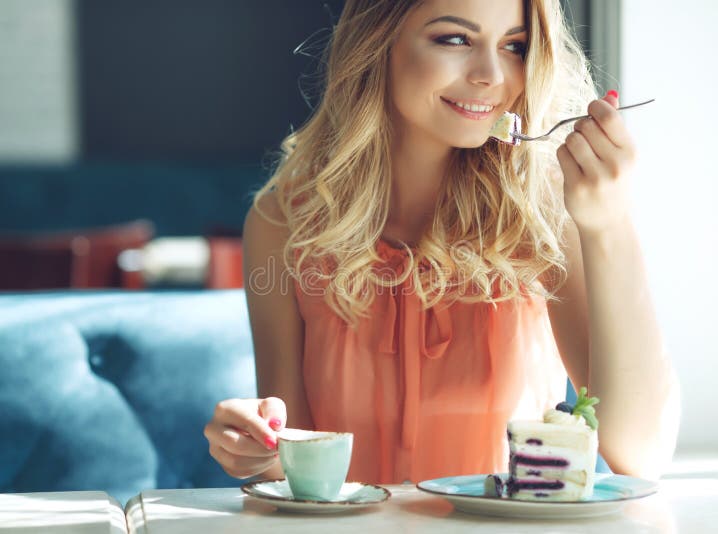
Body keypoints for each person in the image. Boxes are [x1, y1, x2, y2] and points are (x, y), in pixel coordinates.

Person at [204, 0, 681, 485]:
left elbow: (643, 453)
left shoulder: (549, 215)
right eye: (455, 39)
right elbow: (292, 465)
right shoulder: (282, 224)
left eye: (514, 46)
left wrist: (610, 226)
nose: (491, 75)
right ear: (377, 43)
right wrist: (257, 449)